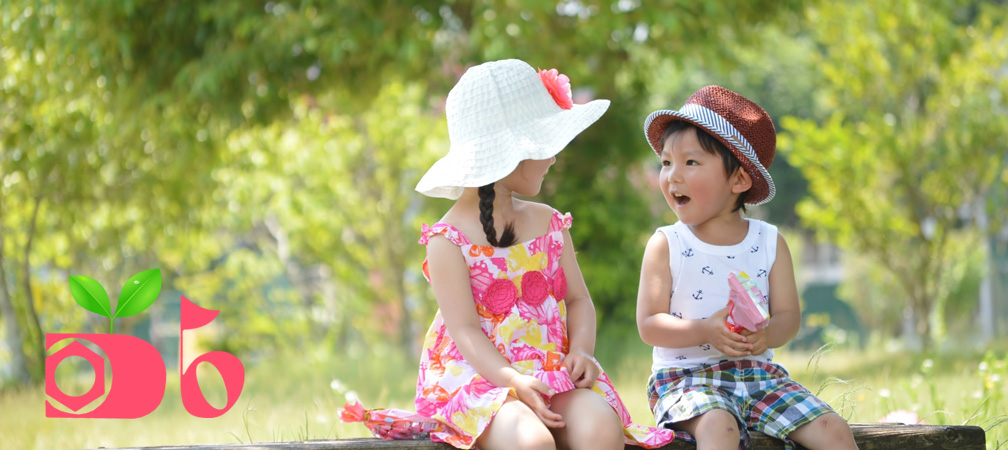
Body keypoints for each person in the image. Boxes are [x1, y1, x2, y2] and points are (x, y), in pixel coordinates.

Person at [414, 59, 674, 450]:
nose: (554, 158)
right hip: (483, 380)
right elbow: (464, 330)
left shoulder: (549, 223)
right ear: (509, 153)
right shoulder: (446, 240)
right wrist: (513, 380)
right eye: (546, 147)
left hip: (549, 372)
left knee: (600, 425)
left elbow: (578, 299)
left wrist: (581, 349)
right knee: (531, 442)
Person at [636, 85, 859, 450]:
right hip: (687, 381)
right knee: (719, 427)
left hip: (761, 378)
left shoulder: (769, 242)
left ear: (739, 179)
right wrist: (704, 329)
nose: (672, 176)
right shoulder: (667, 243)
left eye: (690, 162)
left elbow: (788, 317)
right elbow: (649, 325)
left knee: (834, 430)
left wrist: (765, 336)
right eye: (666, 162)